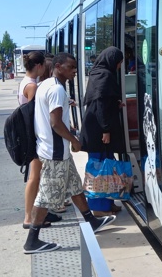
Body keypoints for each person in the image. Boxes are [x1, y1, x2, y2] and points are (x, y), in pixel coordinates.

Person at [24, 52, 115, 254]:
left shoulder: (45, 84)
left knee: (74, 185)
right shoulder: (56, 89)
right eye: (71, 67)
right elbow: (55, 123)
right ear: (57, 67)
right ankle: (32, 240)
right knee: (46, 197)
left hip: (55, 150)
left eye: (75, 67)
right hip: (55, 153)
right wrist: (74, 140)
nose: (75, 71)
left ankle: (91, 221)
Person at [80, 47, 126, 216]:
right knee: (99, 168)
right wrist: (106, 130)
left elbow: (104, 102)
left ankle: (108, 203)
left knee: (108, 166)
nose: (119, 67)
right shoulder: (105, 76)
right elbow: (100, 105)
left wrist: (115, 104)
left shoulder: (98, 73)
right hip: (98, 131)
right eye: (119, 63)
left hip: (98, 127)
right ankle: (98, 208)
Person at [18, 50, 61, 229]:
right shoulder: (32, 86)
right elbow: (34, 114)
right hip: (33, 137)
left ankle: (37, 213)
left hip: (30, 136)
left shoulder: (27, 82)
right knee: (34, 177)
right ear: (39, 66)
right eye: (44, 65)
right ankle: (29, 217)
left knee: (37, 177)